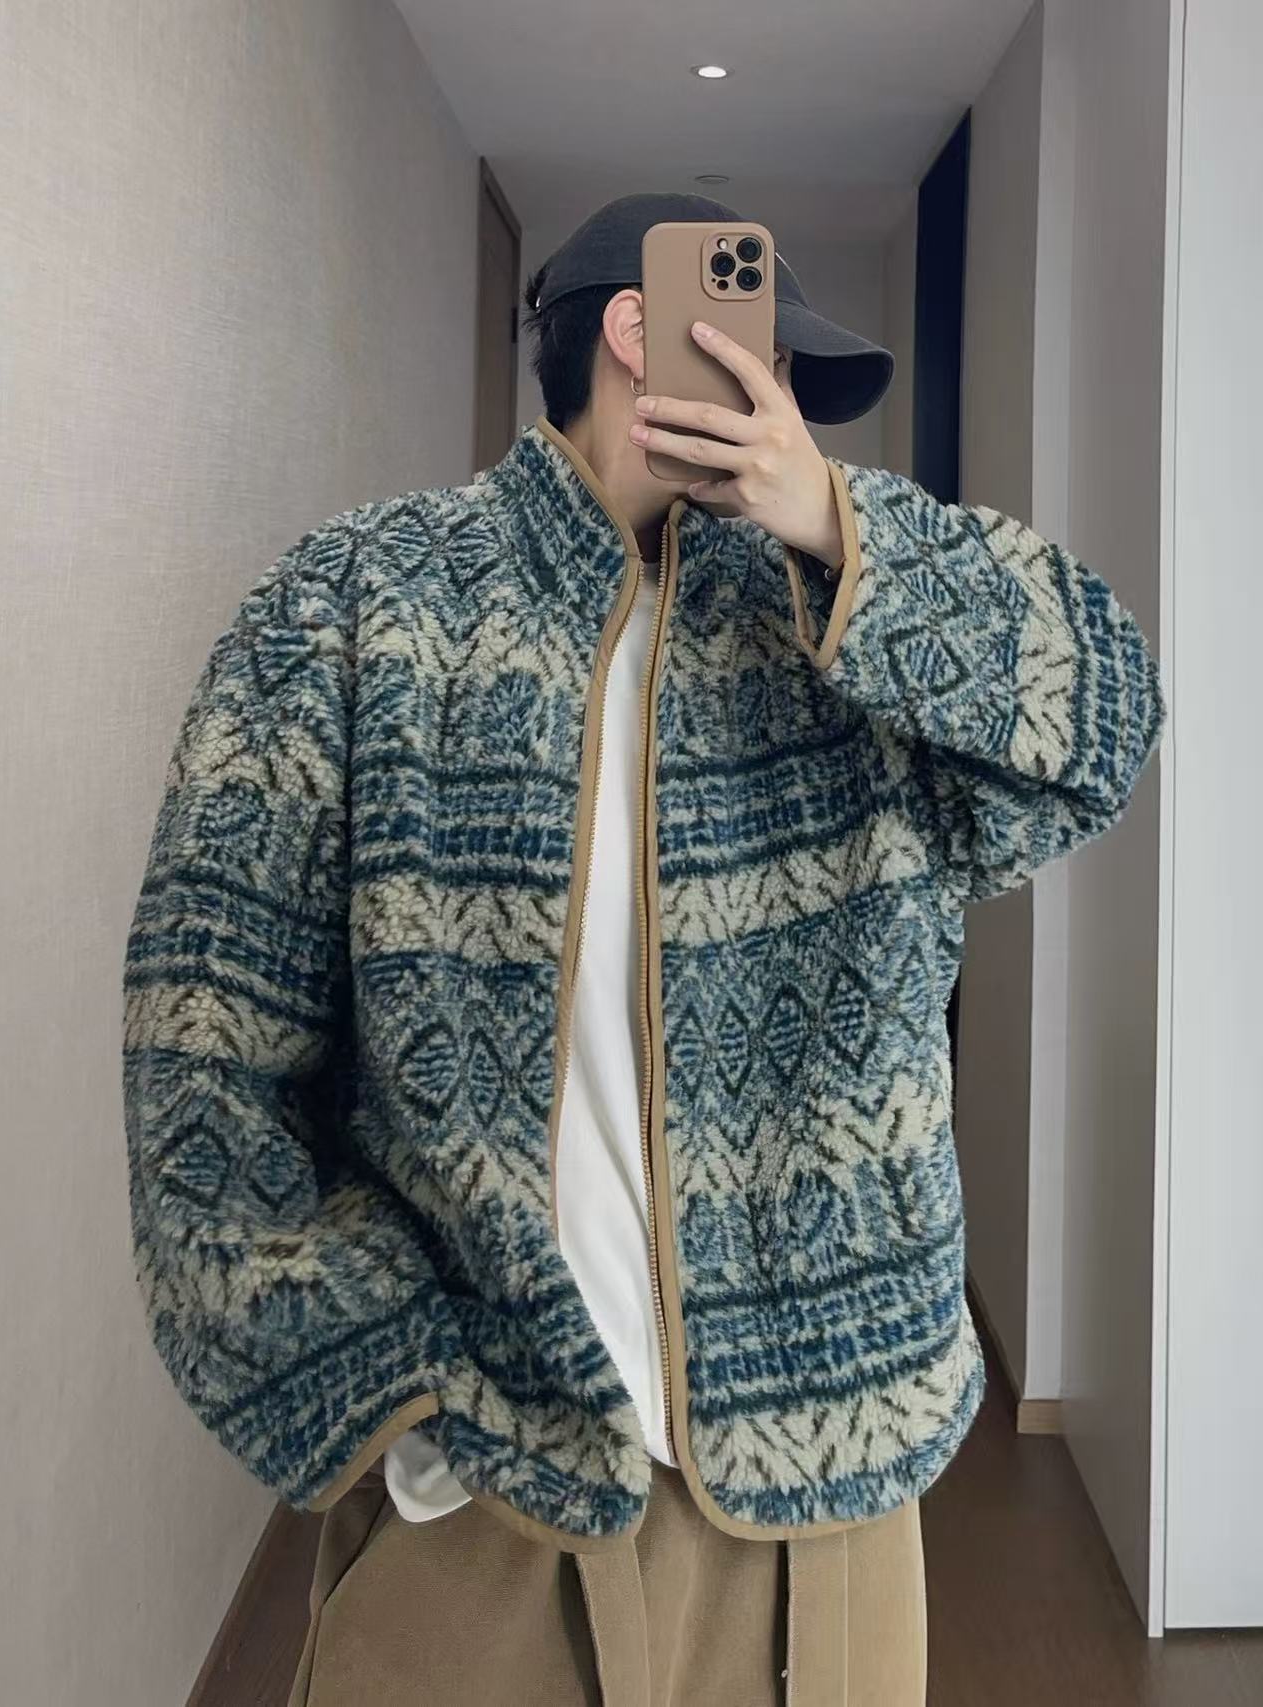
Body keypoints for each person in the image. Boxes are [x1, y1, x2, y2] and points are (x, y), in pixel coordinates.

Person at [121, 192, 1165, 1707]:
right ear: (640, 331)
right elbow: (203, 1055)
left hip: (831, 1494)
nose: (787, 400)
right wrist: (391, 1400)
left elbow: (1108, 721)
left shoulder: (839, 621)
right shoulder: (359, 608)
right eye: (772, 359)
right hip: (489, 1503)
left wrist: (841, 525)